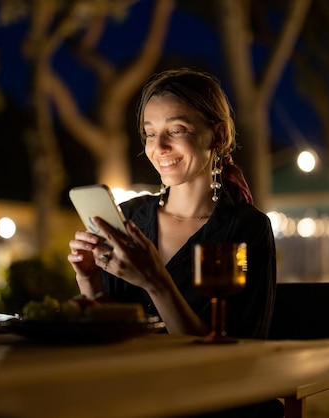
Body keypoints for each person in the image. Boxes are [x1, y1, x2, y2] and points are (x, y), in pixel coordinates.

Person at [68, 68, 280, 417]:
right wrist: (88, 281)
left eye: (176, 130)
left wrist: (156, 282)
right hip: (134, 399)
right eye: (150, 133)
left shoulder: (245, 230)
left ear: (218, 134)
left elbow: (234, 360)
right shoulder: (130, 218)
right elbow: (108, 339)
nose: (158, 147)